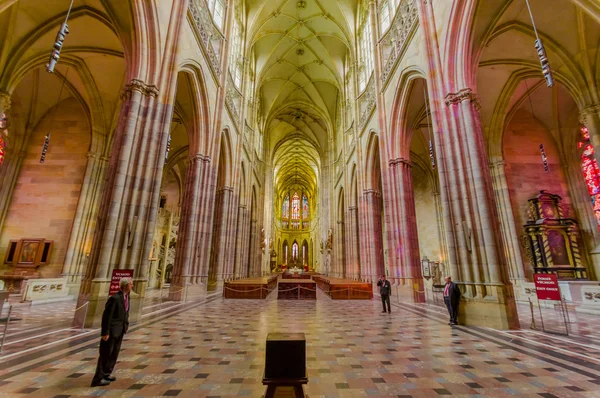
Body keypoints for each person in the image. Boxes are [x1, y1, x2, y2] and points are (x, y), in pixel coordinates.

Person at [91, 278, 131, 387]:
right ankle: (98, 378)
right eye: (131, 284)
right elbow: (107, 316)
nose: (132, 286)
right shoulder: (114, 298)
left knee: (114, 353)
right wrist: (105, 332)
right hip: (112, 331)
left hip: (120, 329)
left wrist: (125, 325)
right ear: (125, 285)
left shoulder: (127, 297)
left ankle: (107, 373)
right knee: (105, 353)